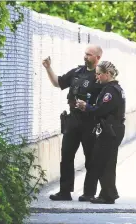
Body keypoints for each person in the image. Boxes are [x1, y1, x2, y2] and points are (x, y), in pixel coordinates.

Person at [42, 44, 104, 201]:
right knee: (67, 155)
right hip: (73, 120)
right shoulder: (77, 72)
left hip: (90, 121)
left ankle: (89, 193)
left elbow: (105, 102)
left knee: (91, 158)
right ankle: (65, 192)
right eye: (85, 54)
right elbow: (58, 83)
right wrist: (48, 68)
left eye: (89, 55)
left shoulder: (100, 76)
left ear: (97, 58)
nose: (85, 57)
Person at [76, 61, 125, 204]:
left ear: (107, 74)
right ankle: (108, 194)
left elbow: (101, 110)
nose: (96, 77)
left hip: (110, 130)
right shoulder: (114, 88)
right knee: (106, 162)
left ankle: (108, 195)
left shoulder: (110, 91)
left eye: (99, 74)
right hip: (112, 128)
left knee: (102, 162)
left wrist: (86, 107)